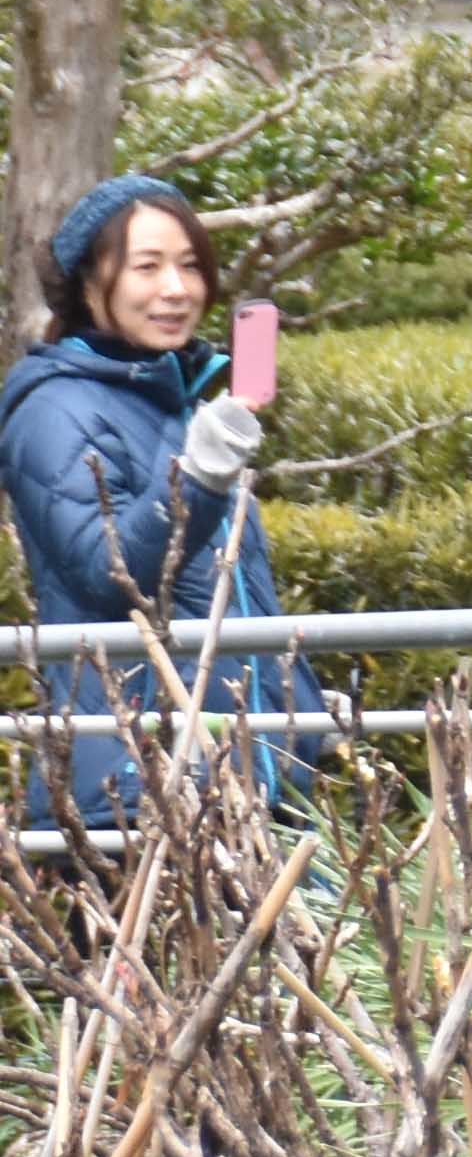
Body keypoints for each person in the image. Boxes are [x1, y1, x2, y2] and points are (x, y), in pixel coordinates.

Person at [0, 177, 319, 821]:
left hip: (244, 782)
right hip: (134, 791)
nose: (176, 289)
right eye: (147, 267)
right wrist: (199, 476)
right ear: (88, 283)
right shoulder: (53, 409)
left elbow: (235, 595)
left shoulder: (171, 406)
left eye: (190, 266)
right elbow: (110, 573)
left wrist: (303, 715)